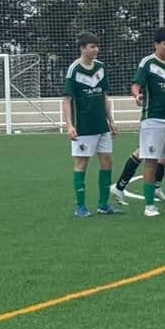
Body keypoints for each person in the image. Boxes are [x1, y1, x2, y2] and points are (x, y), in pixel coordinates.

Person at [63, 32, 118, 217]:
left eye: (97, 46)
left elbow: (104, 95)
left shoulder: (101, 67)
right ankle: (80, 206)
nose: (96, 50)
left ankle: (103, 205)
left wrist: (111, 120)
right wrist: (70, 125)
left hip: (101, 125)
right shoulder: (74, 70)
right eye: (92, 46)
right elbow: (67, 100)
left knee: (107, 162)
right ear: (82, 48)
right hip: (83, 126)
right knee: (81, 164)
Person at [130, 27, 165, 217]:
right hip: (151, 119)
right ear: (156, 44)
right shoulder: (148, 63)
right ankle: (149, 205)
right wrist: (137, 96)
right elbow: (136, 84)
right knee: (151, 162)